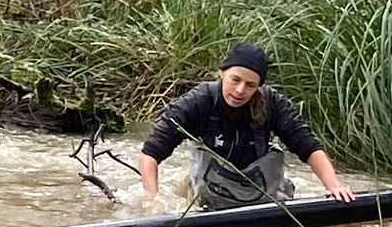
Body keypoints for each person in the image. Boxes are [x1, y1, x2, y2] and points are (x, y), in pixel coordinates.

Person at [138, 43, 355, 211]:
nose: (240, 90)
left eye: (250, 85)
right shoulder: (198, 101)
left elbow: (309, 147)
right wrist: (152, 200)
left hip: (262, 198)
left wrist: (333, 185)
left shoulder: (273, 104)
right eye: (235, 80)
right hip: (208, 200)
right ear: (222, 73)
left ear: (259, 86)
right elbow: (150, 155)